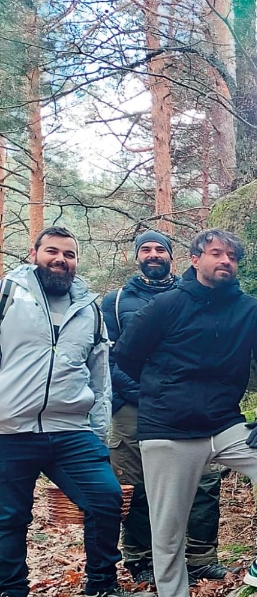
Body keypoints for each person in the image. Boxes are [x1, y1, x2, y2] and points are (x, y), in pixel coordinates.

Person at [113, 229, 257, 597]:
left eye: (231, 256)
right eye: (216, 253)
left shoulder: (250, 311)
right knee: (167, 530)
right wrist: (160, 393)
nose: (225, 261)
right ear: (196, 260)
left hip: (223, 426)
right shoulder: (166, 305)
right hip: (168, 431)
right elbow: (125, 356)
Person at [0, 227, 124, 597]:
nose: (60, 259)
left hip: (71, 429)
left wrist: (99, 434)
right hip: (9, 429)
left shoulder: (90, 309)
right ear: (33, 253)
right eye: (52, 251)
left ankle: (102, 585)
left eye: (69, 255)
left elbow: (101, 378)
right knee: (9, 518)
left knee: (105, 499)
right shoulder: (8, 295)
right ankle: (11, 589)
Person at [102, 230, 227, 586]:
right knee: (135, 485)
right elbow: (108, 358)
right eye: (146, 249)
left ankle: (200, 556)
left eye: (161, 249)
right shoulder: (115, 301)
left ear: (174, 257)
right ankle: (140, 558)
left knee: (204, 479)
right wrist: (142, 394)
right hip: (133, 406)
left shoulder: (195, 295)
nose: (154, 254)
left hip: (189, 404)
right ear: (136, 256)